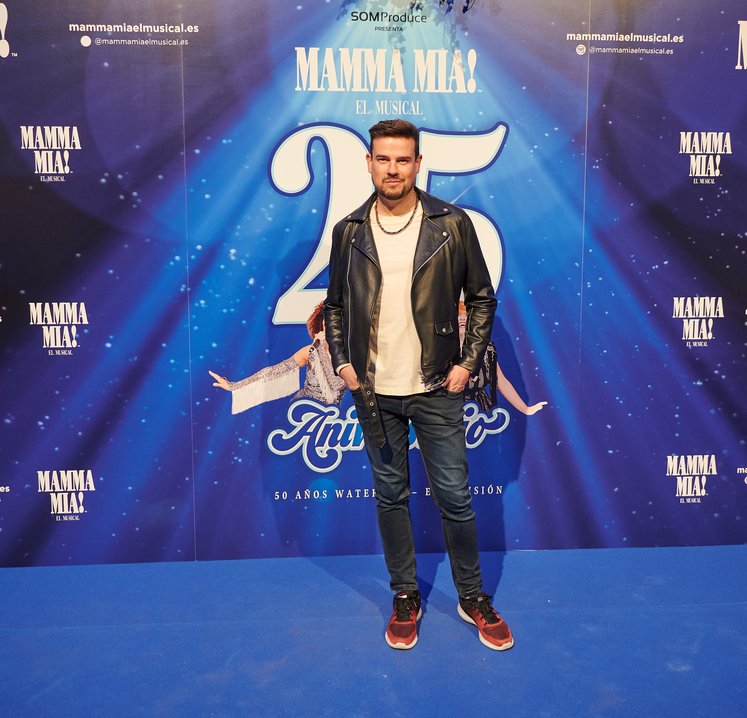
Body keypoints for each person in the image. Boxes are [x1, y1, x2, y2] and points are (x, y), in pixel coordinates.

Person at [324, 119, 544, 651]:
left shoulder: (451, 223)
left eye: (403, 159)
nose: (392, 169)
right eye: (383, 159)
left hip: (438, 387)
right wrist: (344, 363)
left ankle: (472, 597)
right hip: (374, 391)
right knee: (390, 497)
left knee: (456, 498)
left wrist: (467, 363)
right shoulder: (349, 231)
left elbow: (483, 298)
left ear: (418, 164)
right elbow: (334, 307)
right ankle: (405, 596)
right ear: (369, 163)